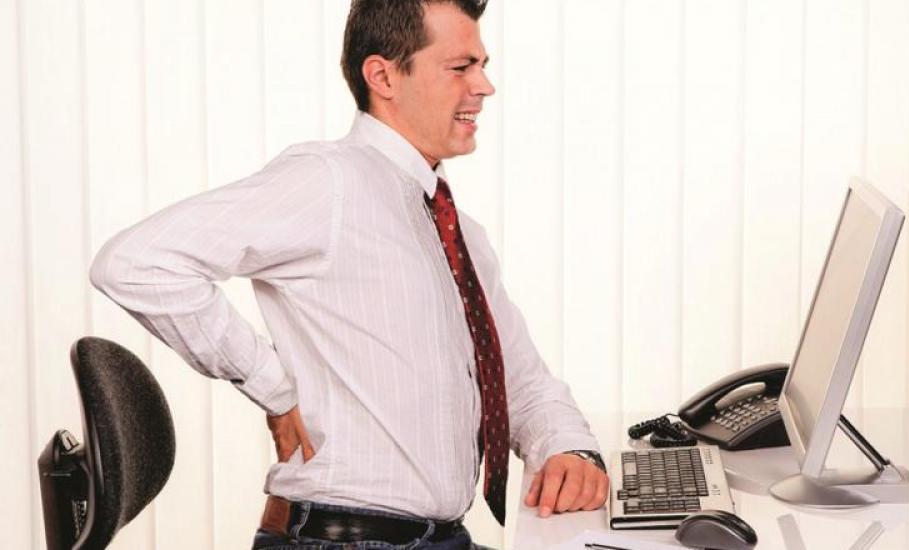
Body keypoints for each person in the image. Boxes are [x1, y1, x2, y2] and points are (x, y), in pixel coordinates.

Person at [89, 0, 608, 548]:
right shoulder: (329, 182)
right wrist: (274, 388)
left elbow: (520, 379)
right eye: (460, 67)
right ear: (383, 76)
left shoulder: (459, 233)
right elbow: (135, 262)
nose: (484, 86)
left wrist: (568, 447)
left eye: (482, 65)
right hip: (344, 539)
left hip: (437, 538)